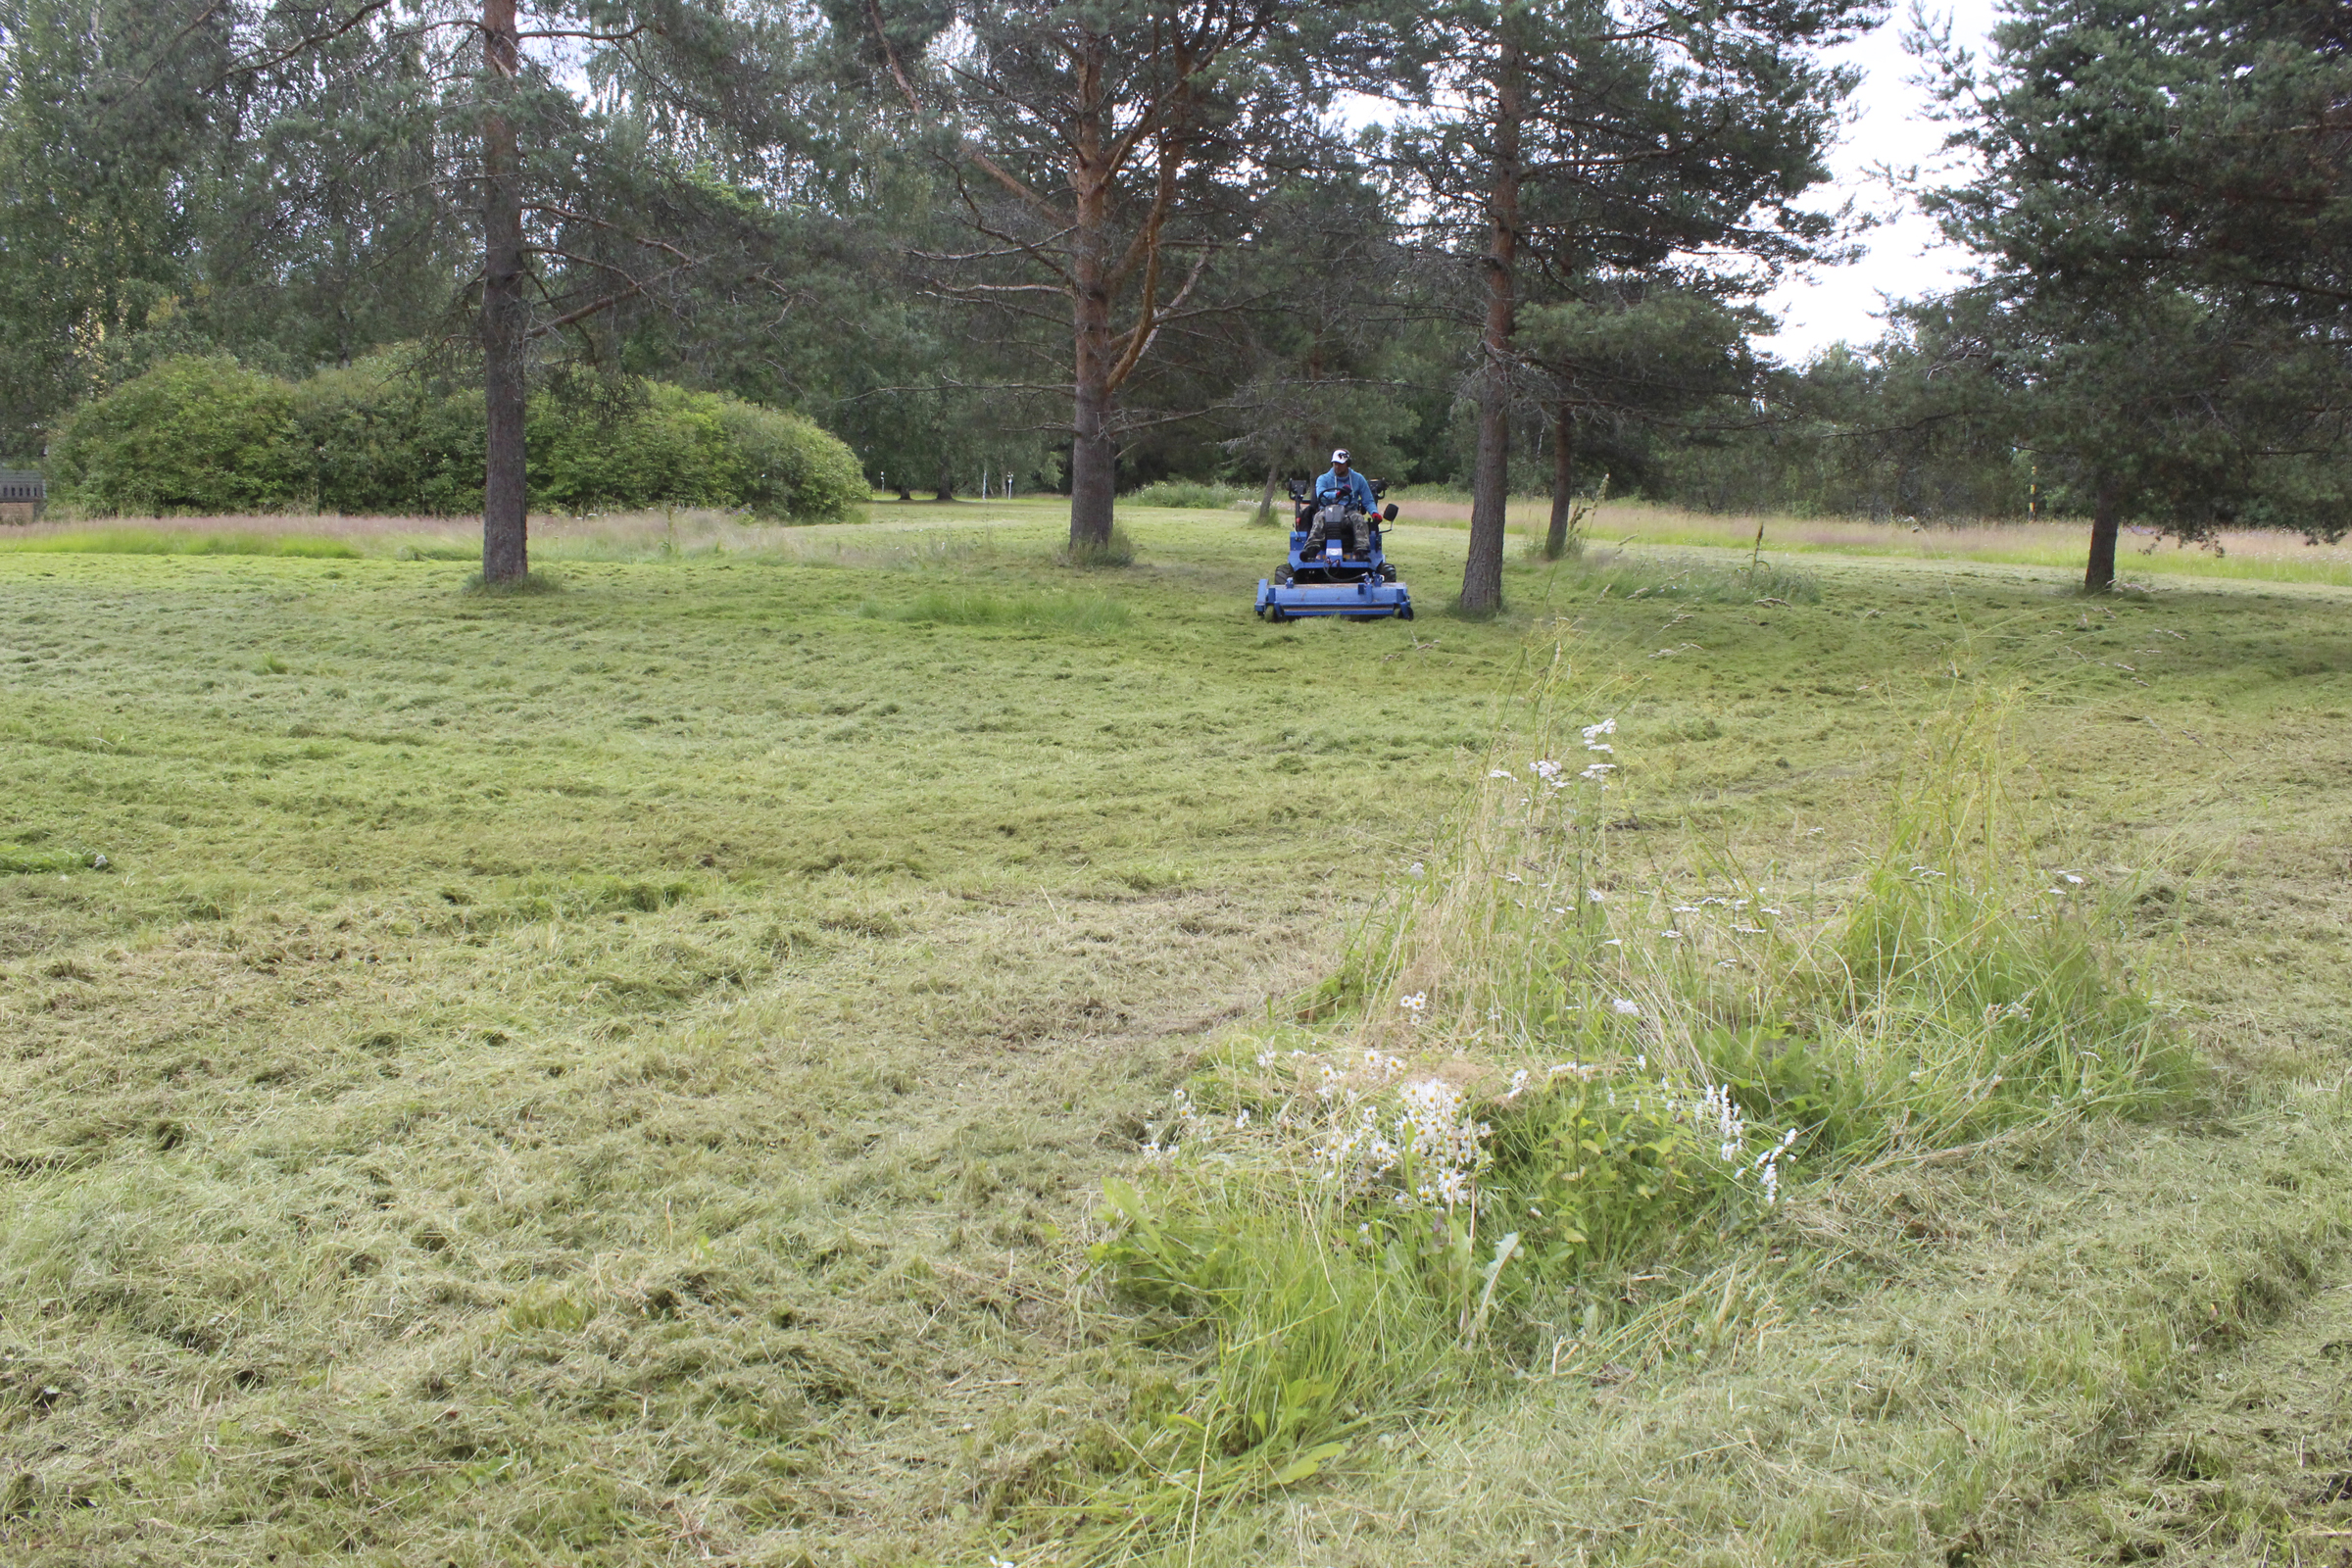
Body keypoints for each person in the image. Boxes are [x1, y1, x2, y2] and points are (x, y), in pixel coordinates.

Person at [1306, 448, 1376, 555]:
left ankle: (1361, 550)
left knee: (1359, 518)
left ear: (1347, 464)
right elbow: (1321, 494)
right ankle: (1312, 548)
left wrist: (1374, 512)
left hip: (1349, 512)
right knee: (1319, 517)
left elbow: (1368, 500)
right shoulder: (1323, 479)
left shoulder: (1358, 479)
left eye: (1340, 464)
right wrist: (1337, 494)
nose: (1337, 466)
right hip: (1327, 510)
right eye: (1335, 464)